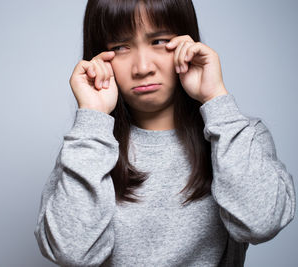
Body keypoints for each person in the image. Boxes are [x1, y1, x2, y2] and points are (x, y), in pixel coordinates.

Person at [34, 0, 296, 266]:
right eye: (120, 47)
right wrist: (92, 118)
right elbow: (71, 252)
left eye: (159, 41)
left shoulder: (236, 134)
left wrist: (216, 98)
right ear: (98, 59)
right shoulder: (89, 145)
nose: (143, 67)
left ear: (188, 43)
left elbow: (262, 224)